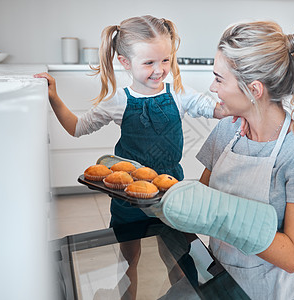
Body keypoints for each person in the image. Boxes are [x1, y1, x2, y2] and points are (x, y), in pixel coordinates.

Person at [35, 15, 224, 299]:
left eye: (165, 60)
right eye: (149, 62)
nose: (159, 70)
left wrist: (238, 104)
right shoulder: (118, 102)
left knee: (177, 256)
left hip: (169, 194)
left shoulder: (180, 95)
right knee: (129, 260)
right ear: (125, 62)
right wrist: (54, 98)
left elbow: (213, 109)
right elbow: (77, 127)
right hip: (128, 198)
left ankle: (185, 294)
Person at [157, 20, 294, 299]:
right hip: (219, 278)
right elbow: (200, 202)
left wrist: (219, 216)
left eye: (219, 79)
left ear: (254, 90)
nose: (212, 88)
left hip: (270, 291)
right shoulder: (227, 130)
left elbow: (292, 256)